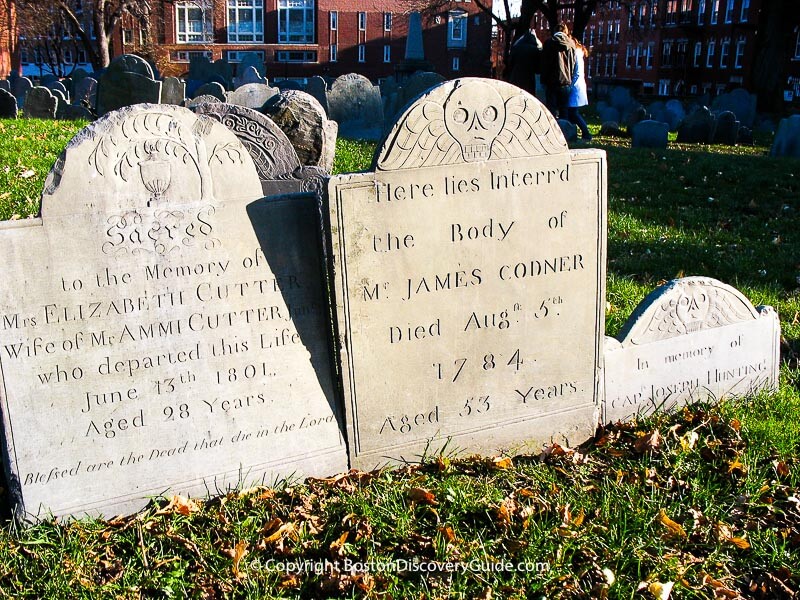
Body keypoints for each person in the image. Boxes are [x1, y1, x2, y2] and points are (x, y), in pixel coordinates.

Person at [541, 22, 576, 119]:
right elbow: (573, 63)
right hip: (566, 82)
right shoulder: (571, 44)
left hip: (551, 82)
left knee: (551, 110)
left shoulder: (549, 43)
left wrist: (543, 80)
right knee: (564, 110)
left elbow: (544, 63)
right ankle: (564, 131)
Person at [568, 37, 592, 141]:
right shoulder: (579, 53)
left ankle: (586, 133)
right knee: (572, 113)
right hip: (578, 86)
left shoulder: (576, 54)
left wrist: (570, 85)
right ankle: (574, 134)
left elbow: (575, 73)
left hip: (576, 87)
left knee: (573, 113)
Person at [505, 28, 542, 97]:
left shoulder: (516, 47)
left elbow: (510, 63)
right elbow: (538, 69)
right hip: (529, 78)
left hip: (515, 77)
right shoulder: (535, 50)